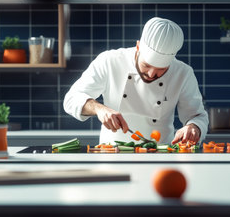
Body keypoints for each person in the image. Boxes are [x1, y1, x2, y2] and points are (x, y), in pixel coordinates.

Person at [63, 17, 208, 145]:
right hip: (113, 154)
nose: (152, 74)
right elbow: (71, 99)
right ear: (138, 46)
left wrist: (193, 127)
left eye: (161, 69)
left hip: (160, 155)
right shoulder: (109, 61)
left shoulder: (183, 73)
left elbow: (197, 115)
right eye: (147, 65)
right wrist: (99, 109)